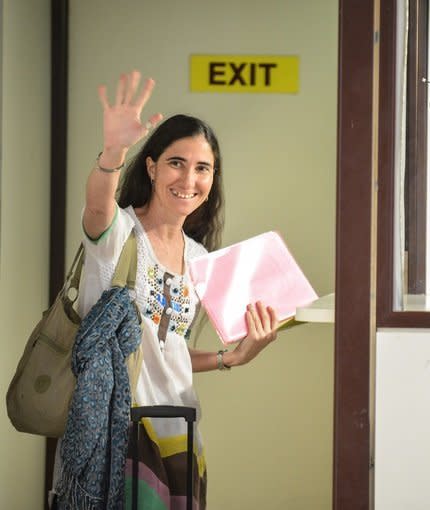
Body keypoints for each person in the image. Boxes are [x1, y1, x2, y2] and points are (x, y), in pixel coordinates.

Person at [50, 70, 280, 509]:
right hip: (116, 438)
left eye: (202, 168)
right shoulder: (118, 235)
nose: (188, 179)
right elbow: (98, 204)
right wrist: (114, 149)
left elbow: (164, 353)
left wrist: (231, 358)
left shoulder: (198, 258)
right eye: (176, 162)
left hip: (180, 434)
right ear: (152, 166)